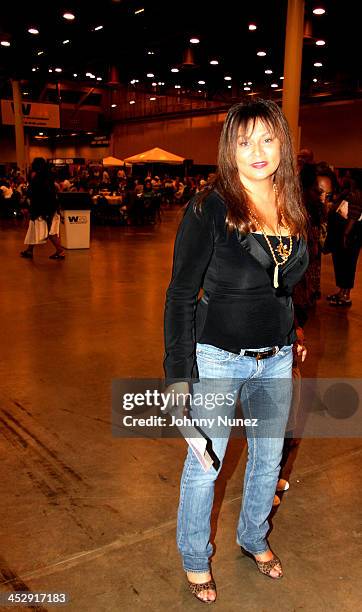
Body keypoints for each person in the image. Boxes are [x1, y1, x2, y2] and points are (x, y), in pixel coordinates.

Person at [163, 99, 309, 604]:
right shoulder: (210, 207)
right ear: (230, 149)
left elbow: (284, 285)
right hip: (219, 355)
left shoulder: (291, 203)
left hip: (277, 358)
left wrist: (295, 332)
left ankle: (252, 537)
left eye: (267, 138)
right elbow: (181, 293)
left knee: (268, 461)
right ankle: (194, 557)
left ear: (282, 144)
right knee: (206, 464)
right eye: (244, 141)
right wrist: (179, 373)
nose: (257, 151)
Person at [324, 170, 361, 306]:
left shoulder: (356, 195)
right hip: (341, 235)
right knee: (341, 264)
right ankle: (341, 292)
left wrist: (346, 235)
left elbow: (353, 217)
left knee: (348, 264)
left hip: (350, 237)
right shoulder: (347, 193)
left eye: (348, 177)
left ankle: (346, 295)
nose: (345, 178)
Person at [20, 157, 65, 260]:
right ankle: (29, 250)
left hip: (43, 210)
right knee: (34, 229)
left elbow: (35, 194)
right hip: (49, 208)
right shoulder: (48, 176)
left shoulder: (38, 178)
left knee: (49, 231)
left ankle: (60, 251)